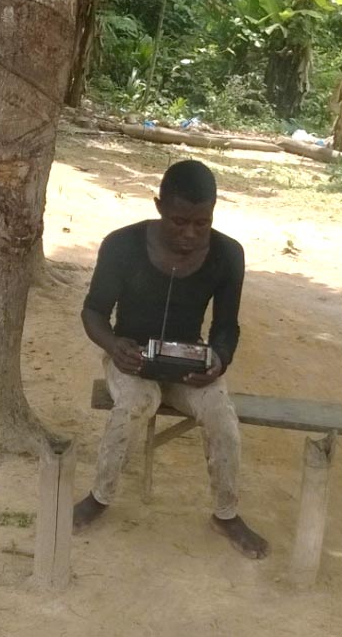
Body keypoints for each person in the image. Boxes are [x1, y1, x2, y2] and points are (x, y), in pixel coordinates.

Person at [73, 160, 268, 559]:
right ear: (159, 206)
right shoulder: (122, 245)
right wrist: (114, 347)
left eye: (202, 223)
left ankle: (226, 514)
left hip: (189, 366)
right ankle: (100, 496)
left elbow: (227, 326)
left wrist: (219, 359)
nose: (190, 234)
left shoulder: (228, 254)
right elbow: (93, 312)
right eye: (179, 222)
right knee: (136, 403)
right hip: (129, 358)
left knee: (221, 416)